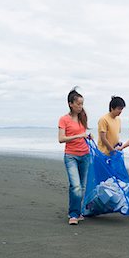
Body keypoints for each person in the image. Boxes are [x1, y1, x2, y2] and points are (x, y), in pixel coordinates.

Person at [58, 88, 90, 225]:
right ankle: (73, 214)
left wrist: (88, 136)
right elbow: (61, 139)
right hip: (71, 155)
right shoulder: (64, 119)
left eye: (82, 104)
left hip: (85, 154)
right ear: (71, 104)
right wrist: (79, 135)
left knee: (82, 186)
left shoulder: (82, 117)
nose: (80, 107)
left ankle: (78, 211)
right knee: (75, 186)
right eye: (78, 104)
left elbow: (84, 134)